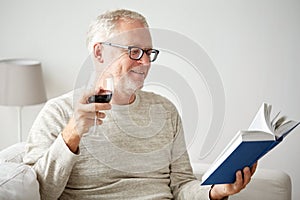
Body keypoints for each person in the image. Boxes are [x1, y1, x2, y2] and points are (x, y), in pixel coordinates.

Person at [23, 9, 256, 200]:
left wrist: (217, 191)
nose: (145, 62)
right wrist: (72, 134)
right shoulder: (58, 113)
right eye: (134, 51)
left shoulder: (165, 110)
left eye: (148, 52)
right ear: (99, 52)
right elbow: (41, 193)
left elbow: (182, 185)